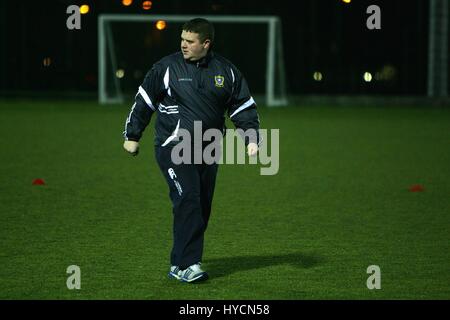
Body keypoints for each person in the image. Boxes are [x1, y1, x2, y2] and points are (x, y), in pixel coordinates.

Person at [122, 18, 260, 283]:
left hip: (209, 149)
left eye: (190, 41)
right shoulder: (166, 67)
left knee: (202, 206)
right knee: (188, 198)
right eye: (182, 40)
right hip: (174, 147)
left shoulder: (227, 72)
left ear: (205, 44)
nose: (183, 45)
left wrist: (251, 138)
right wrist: (132, 135)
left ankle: (179, 263)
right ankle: (188, 265)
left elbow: (242, 107)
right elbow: (144, 101)